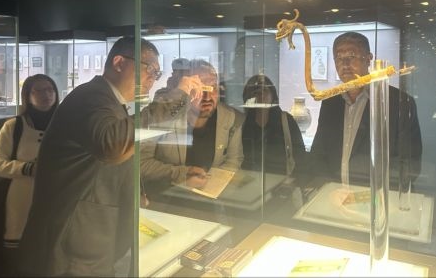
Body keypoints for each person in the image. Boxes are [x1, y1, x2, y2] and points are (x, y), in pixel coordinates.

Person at [18, 36, 161, 277]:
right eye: (150, 69)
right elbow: (112, 146)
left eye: (157, 73)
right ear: (119, 63)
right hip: (72, 244)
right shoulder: (90, 97)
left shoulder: (107, 101)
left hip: (86, 236)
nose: (153, 78)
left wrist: (133, 193)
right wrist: (170, 102)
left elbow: (105, 163)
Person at [310, 32, 422, 188]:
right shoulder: (330, 103)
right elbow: (318, 154)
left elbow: (409, 164)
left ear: (369, 59)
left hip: (376, 198)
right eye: (339, 57)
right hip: (335, 195)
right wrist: (330, 189)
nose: (345, 63)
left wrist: (368, 196)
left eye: (352, 55)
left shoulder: (399, 103)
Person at [0, 74, 59, 277]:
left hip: (55, 203)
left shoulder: (65, 126)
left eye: (50, 89)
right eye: (39, 90)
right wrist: (26, 169)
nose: (46, 95)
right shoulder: (14, 126)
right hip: (19, 205)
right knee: (17, 263)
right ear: (27, 95)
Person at [140, 59, 244, 189]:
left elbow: (234, 160)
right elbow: (140, 163)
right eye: (200, 88)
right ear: (185, 90)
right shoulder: (163, 116)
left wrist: (214, 186)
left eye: (213, 87)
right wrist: (180, 175)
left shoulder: (230, 118)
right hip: (167, 195)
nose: (207, 97)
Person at [241, 74, 306, 177]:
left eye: (265, 90)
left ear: (273, 95)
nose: (261, 95)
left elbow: (300, 156)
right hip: (248, 180)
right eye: (256, 92)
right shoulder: (242, 122)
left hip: (281, 180)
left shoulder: (286, 121)